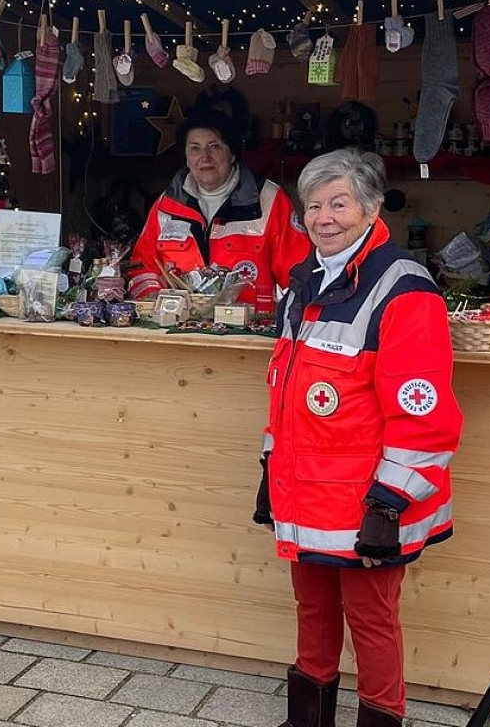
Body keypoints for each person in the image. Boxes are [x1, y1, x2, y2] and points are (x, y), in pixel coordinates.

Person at [254, 149, 463, 727]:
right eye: (314, 205)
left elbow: (425, 416)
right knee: (312, 609)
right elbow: (288, 394)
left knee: (372, 621)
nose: (325, 217)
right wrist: (271, 470)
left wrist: (389, 501)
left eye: (339, 203)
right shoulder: (301, 283)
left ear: (370, 207)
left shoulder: (405, 289)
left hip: (368, 500)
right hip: (308, 496)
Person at [127, 109, 311, 312]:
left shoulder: (269, 199)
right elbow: (141, 267)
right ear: (186, 158)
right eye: (194, 149)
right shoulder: (167, 205)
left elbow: (300, 274)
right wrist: (154, 298)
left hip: (249, 332)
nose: (205, 157)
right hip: (178, 329)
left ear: (232, 154)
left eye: (214, 147)